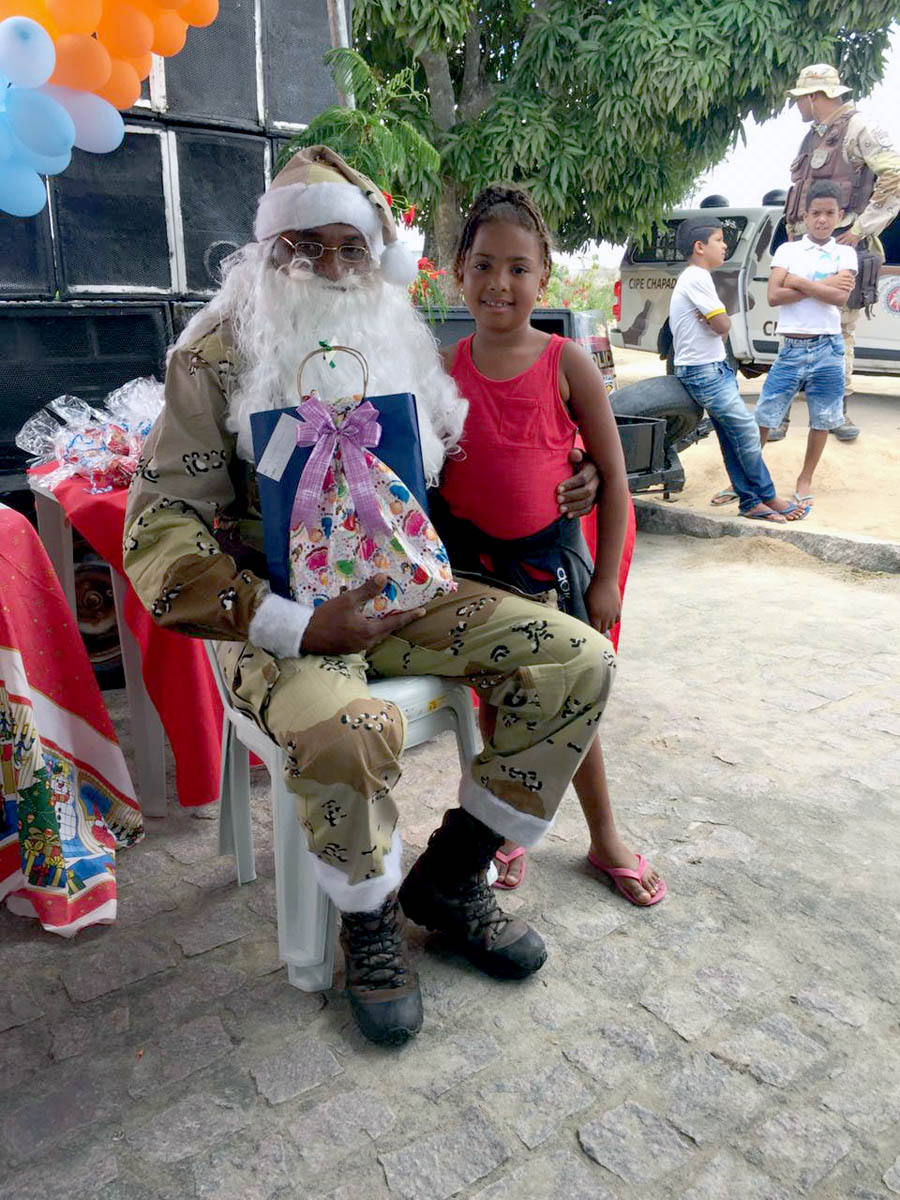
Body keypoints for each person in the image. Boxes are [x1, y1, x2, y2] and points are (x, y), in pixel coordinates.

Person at [122, 145, 615, 1047]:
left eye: (351, 247)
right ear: (268, 250)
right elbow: (159, 532)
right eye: (304, 245)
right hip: (279, 617)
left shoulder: (396, 334)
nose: (330, 265)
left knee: (575, 659)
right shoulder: (215, 354)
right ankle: (369, 920)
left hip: (408, 593)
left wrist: (571, 474)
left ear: (376, 256)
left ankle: (451, 879)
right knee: (354, 729)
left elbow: (449, 471)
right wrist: (296, 622)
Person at [433, 184, 665, 907]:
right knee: (498, 705)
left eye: (518, 268)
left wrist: (607, 580)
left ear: (543, 277)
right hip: (474, 569)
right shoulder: (441, 368)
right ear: (459, 271)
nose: (499, 283)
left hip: (552, 568)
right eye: (483, 265)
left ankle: (604, 836)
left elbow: (615, 479)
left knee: (570, 706)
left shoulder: (568, 363)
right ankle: (503, 828)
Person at [770, 62, 900, 443]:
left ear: (815, 96)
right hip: (802, 248)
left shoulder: (858, 127)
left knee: (839, 332)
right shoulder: (813, 137)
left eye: (801, 99)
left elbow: (894, 173)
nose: (798, 106)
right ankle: (779, 417)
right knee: (793, 329)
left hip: (841, 246)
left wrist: (861, 229)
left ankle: (836, 412)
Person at [669, 215, 808, 524]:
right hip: (703, 371)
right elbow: (723, 325)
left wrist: (718, 323)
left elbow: (719, 327)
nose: (725, 246)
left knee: (731, 436)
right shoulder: (696, 277)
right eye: (719, 240)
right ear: (699, 247)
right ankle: (768, 495)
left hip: (713, 367)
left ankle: (750, 502)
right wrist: (719, 323)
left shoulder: (698, 277)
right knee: (745, 430)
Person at [754, 180, 857, 502]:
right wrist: (824, 284)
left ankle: (805, 480)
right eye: (816, 213)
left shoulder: (845, 253)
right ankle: (749, 477)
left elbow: (839, 298)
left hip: (829, 348)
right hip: (791, 348)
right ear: (805, 215)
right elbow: (774, 296)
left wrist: (797, 282)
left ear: (840, 215)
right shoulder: (789, 250)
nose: (822, 219)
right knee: (765, 415)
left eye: (829, 213)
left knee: (822, 419)